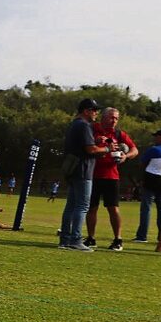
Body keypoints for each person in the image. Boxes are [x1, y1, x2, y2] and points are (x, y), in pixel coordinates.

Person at [58, 99, 109, 251]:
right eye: (94, 110)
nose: (96, 113)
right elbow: (91, 150)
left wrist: (96, 141)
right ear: (86, 111)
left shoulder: (74, 124)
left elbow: (84, 145)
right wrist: (107, 149)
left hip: (72, 170)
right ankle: (76, 239)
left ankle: (65, 240)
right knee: (82, 206)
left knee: (71, 206)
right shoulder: (84, 125)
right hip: (83, 170)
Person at [85, 107, 137, 251]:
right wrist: (96, 141)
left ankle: (118, 239)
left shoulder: (119, 134)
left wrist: (125, 156)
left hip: (111, 175)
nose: (114, 121)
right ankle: (90, 238)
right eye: (111, 117)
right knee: (91, 207)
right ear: (103, 117)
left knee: (113, 208)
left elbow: (134, 150)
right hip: (93, 174)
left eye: (116, 118)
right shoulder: (92, 128)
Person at [133, 129, 161, 243]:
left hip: (151, 179)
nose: (155, 138)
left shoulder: (154, 149)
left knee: (146, 208)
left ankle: (142, 236)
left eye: (156, 136)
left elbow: (143, 163)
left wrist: (140, 178)